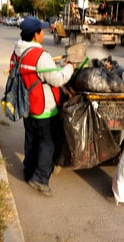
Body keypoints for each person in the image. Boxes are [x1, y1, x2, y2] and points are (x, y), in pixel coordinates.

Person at [10, 16, 76, 197]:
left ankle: (28, 171)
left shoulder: (17, 52)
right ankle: (39, 179)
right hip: (43, 108)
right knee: (48, 144)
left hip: (26, 105)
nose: (44, 33)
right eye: (42, 31)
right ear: (35, 35)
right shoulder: (40, 56)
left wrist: (56, 66)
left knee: (31, 141)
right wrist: (69, 68)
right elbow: (57, 79)